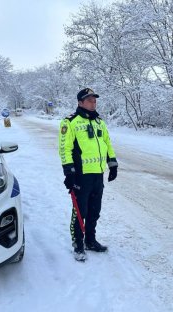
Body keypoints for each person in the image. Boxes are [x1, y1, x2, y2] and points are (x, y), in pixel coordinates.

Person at [58, 88, 118, 261]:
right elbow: (65, 149)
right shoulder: (69, 122)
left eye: (94, 99)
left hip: (97, 175)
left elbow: (107, 143)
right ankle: (78, 244)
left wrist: (112, 164)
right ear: (80, 102)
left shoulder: (100, 122)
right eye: (89, 100)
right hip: (81, 176)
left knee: (94, 210)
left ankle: (91, 241)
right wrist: (69, 173)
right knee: (80, 211)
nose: (93, 102)